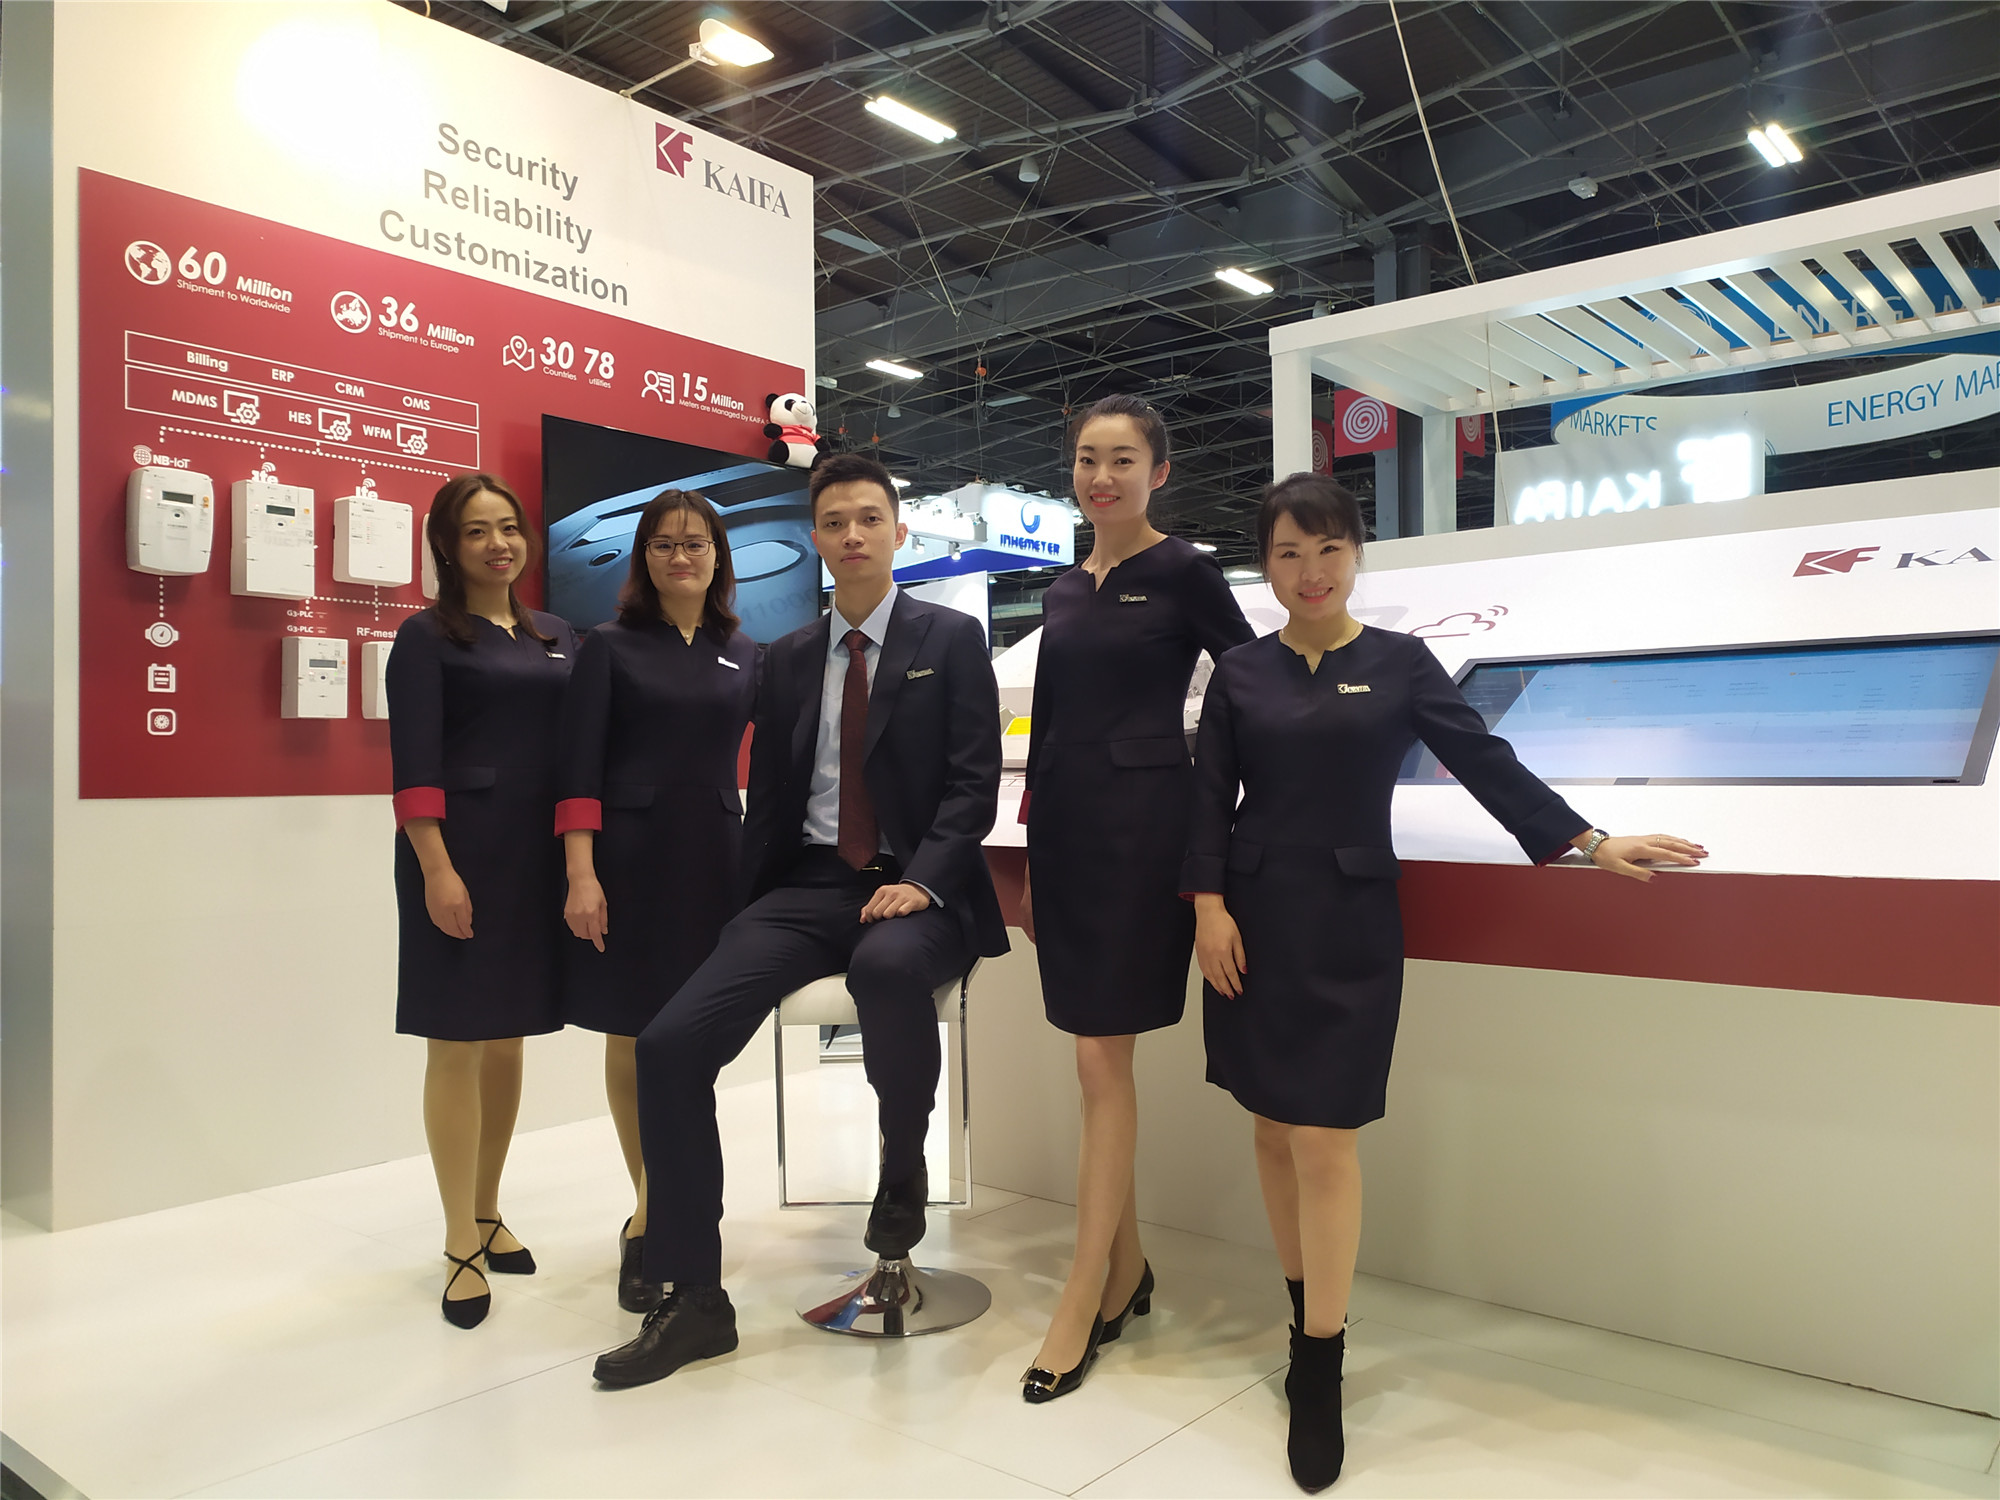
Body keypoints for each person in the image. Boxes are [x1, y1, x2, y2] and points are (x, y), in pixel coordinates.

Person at [1186, 473, 1707, 1492]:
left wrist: (1588, 840)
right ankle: (1298, 1310)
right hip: (1250, 922)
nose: (1309, 571)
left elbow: (1481, 757)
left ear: (1355, 555)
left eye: (1327, 550)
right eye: (1288, 553)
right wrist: (1206, 906)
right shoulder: (1240, 672)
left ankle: (1320, 1362)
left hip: (1348, 926)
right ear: (1265, 566)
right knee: (1270, 1126)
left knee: (1325, 1138)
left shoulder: (1399, 662)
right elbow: (1208, 798)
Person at [591, 451, 1008, 1387]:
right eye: (835, 522)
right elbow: (773, 798)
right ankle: (693, 1298)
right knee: (667, 1046)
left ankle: (901, 1167)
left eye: (870, 519)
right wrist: (747, 912)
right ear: (813, 538)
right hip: (809, 886)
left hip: (915, 883)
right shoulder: (783, 658)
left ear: (899, 532)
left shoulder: (949, 639)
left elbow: (972, 784)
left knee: (887, 968)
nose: (852, 535)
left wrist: (925, 880)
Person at [1016, 394, 1257, 1402]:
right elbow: (1050, 720)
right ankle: (1128, 1269)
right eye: (1086, 458)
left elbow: (1249, 685)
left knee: (1098, 1060)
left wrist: (1223, 826)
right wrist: (1032, 846)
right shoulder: (1063, 590)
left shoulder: (1185, 570)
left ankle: (1084, 1295)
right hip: (1067, 841)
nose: (1100, 476)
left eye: (1121, 459)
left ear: (1159, 472)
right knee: (1091, 1059)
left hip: (1144, 838)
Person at [554, 488, 758, 1316]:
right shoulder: (607, 646)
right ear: (644, 557)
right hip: (628, 863)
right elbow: (577, 768)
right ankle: (650, 1214)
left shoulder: (744, 651)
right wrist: (581, 873)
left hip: (715, 859)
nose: (681, 557)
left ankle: (672, 1203)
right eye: (665, 544)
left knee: (688, 1041)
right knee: (633, 1034)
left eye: (696, 543)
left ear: (718, 557)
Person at [387, 472, 579, 1330]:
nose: (498, 544)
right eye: (475, 531)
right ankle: (458, 1238)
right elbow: (413, 767)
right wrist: (436, 868)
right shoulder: (426, 637)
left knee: (507, 1038)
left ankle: (490, 1207)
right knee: (457, 1039)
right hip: (459, 855)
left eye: (508, 527)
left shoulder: (560, 635)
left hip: (535, 857)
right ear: (447, 545)